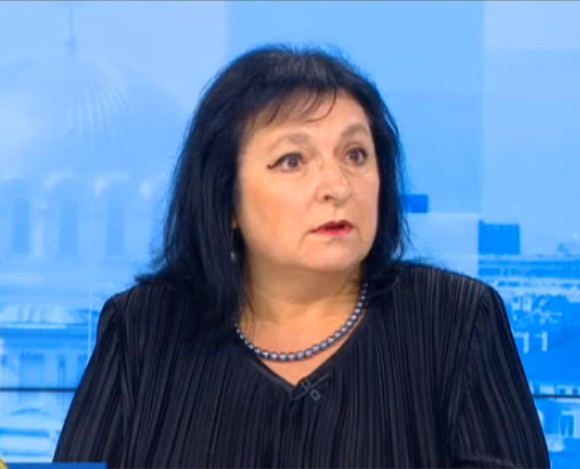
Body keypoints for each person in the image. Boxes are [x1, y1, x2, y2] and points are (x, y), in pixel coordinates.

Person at [53, 44, 550, 468]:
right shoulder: (142, 328)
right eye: (292, 160)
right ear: (226, 198)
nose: (336, 186)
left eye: (356, 155)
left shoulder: (455, 320)